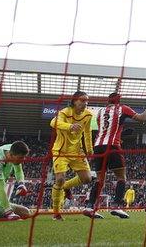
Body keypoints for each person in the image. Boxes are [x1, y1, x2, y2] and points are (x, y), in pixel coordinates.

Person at [83, 92, 146, 219]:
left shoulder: (100, 112)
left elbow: (107, 129)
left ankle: (89, 207)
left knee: (100, 179)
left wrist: (122, 134)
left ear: (108, 101)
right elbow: (142, 118)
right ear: (119, 101)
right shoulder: (122, 108)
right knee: (121, 177)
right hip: (113, 146)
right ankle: (117, 206)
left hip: (98, 146)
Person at [49, 91, 95, 221]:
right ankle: (56, 213)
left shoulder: (88, 115)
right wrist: (70, 126)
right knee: (59, 179)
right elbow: (53, 123)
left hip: (77, 152)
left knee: (87, 179)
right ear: (74, 101)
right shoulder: (65, 112)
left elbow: (87, 132)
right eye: (82, 100)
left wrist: (89, 149)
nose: (85, 103)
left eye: (87, 101)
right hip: (60, 152)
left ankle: (66, 187)